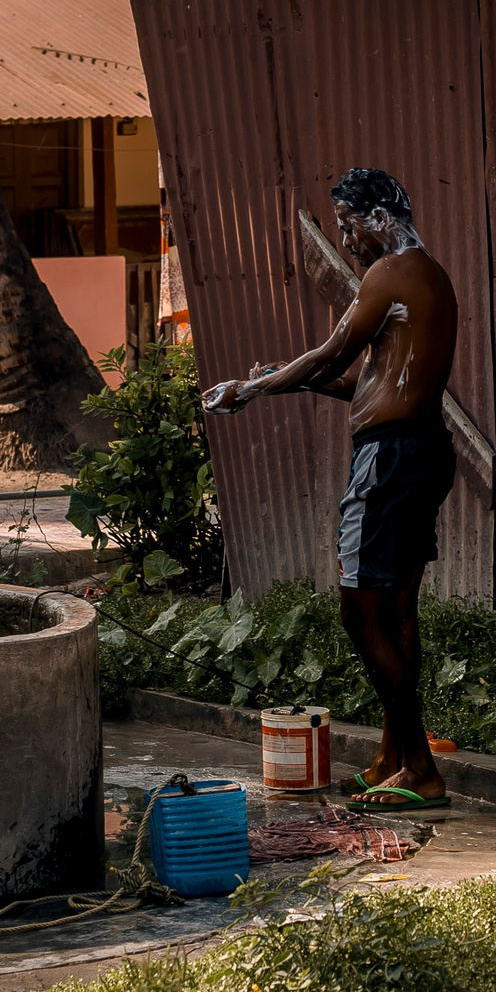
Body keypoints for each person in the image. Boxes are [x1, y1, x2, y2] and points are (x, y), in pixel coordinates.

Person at [202, 168, 458, 813]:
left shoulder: (391, 273)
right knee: (396, 613)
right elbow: (367, 383)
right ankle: (393, 758)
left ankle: (421, 769)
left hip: (389, 463)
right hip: (416, 452)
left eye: (347, 225)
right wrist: (295, 381)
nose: (344, 239)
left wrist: (250, 390)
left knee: (359, 613)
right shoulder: (427, 277)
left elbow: (330, 353)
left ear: (378, 216)